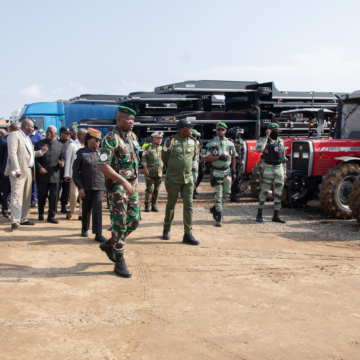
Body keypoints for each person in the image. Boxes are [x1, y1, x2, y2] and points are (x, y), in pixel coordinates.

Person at [98, 106, 141, 278]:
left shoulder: (133, 137)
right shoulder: (110, 139)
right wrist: (123, 181)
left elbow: (135, 161)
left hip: (132, 186)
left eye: (133, 119)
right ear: (118, 120)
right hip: (117, 187)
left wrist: (135, 182)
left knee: (134, 221)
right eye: (127, 119)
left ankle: (110, 244)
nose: (131, 122)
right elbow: (102, 165)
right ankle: (119, 260)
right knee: (119, 224)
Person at [161, 118, 199, 245]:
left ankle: (188, 234)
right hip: (173, 179)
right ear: (182, 129)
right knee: (171, 205)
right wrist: (172, 171)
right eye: (189, 128)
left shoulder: (193, 142)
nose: (191, 130)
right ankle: (167, 228)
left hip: (188, 179)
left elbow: (193, 157)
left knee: (189, 206)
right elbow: (165, 159)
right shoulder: (170, 141)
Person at [4, 119, 48, 229]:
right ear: (26, 126)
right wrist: (16, 169)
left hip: (28, 170)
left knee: (26, 196)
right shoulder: (15, 135)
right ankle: (15, 220)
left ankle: (23, 218)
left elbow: (30, 154)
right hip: (18, 171)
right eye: (32, 127)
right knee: (16, 195)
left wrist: (41, 152)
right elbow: (12, 153)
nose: (33, 129)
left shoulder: (27, 138)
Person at [73, 128, 106, 242]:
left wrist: (106, 186)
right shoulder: (81, 153)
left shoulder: (101, 153)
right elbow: (76, 172)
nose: (98, 143)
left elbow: (107, 170)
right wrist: (80, 187)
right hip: (86, 187)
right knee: (86, 209)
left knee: (98, 209)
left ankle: (98, 233)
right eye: (95, 140)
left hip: (99, 186)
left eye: (99, 141)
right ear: (88, 140)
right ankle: (84, 228)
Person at [203, 122, 237, 227]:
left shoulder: (230, 143)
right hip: (216, 171)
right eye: (218, 129)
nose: (220, 131)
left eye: (222, 129)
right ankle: (219, 216)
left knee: (226, 194)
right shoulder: (211, 143)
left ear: (225, 131)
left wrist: (234, 171)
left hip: (227, 171)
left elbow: (234, 156)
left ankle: (215, 208)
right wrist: (218, 157)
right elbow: (205, 157)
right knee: (219, 194)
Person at [255, 123, 286, 224]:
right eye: (274, 130)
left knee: (278, 193)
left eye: (277, 129)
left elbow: (283, 158)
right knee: (264, 191)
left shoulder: (281, 142)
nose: (276, 131)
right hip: (268, 168)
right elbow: (259, 149)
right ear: (269, 130)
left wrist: (284, 172)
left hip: (279, 168)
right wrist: (266, 136)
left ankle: (276, 215)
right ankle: (259, 213)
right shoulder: (264, 140)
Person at [35, 126, 65, 224]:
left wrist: (62, 163)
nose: (48, 133)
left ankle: (51, 216)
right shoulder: (39, 144)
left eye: (51, 132)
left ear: (55, 134)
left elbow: (63, 157)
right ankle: (40, 213)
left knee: (54, 197)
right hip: (42, 175)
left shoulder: (60, 145)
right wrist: (39, 168)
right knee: (42, 195)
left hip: (55, 175)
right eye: (47, 131)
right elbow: (35, 159)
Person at [64, 128, 87, 220]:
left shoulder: (86, 145)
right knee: (74, 193)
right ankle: (71, 209)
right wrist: (66, 174)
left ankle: (81, 212)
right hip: (74, 174)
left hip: (84, 174)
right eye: (86, 135)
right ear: (81, 136)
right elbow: (68, 160)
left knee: (83, 194)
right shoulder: (72, 145)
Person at [0, 123, 20, 218]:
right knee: (6, 191)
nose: (17, 131)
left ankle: (15, 211)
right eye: (15, 129)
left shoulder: (21, 140)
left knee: (16, 192)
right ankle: (4, 210)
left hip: (19, 171)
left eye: (18, 129)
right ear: (10, 130)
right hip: (7, 170)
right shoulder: (3, 140)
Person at [142, 131, 163, 212]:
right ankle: (147, 205)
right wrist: (145, 169)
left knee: (157, 190)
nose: (160, 140)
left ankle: (154, 205)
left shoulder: (163, 148)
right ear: (154, 139)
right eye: (158, 138)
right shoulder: (149, 148)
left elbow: (166, 160)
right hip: (150, 173)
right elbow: (143, 159)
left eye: (161, 138)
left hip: (159, 173)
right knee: (150, 189)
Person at [29, 124, 44, 208]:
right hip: (27, 162)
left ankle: (33, 199)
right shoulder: (26, 136)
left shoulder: (39, 136)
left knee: (34, 182)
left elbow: (42, 149)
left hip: (35, 162)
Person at [229, 127, 245, 203]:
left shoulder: (240, 142)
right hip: (229, 164)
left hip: (238, 163)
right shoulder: (228, 142)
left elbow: (243, 151)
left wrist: (243, 160)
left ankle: (233, 196)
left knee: (236, 180)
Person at [58, 126, 72, 213]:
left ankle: (63, 206)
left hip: (67, 170)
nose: (68, 135)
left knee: (66, 189)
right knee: (56, 189)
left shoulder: (71, 144)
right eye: (66, 133)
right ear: (61, 134)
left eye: (69, 134)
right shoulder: (57, 143)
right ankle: (54, 205)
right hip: (57, 170)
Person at [191, 129, 201, 199]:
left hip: (194, 164)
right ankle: (183, 192)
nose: (195, 138)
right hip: (187, 165)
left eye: (196, 136)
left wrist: (197, 164)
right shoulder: (186, 142)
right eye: (194, 136)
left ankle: (193, 192)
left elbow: (197, 153)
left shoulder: (196, 142)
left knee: (194, 179)